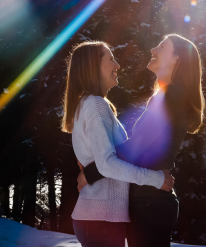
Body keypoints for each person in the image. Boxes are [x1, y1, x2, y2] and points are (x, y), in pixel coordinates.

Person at [78, 34, 205, 247]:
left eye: (162, 47)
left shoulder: (172, 95)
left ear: (176, 59)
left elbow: (136, 147)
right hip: (149, 201)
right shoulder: (169, 95)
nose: (153, 49)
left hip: (151, 202)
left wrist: (89, 174)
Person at [61, 41, 175, 247]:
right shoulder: (96, 105)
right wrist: (156, 179)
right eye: (111, 58)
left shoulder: (89, 104)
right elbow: (107, 164)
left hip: (100, 218)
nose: (117, 65)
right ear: (93, 66)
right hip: (100, 220)